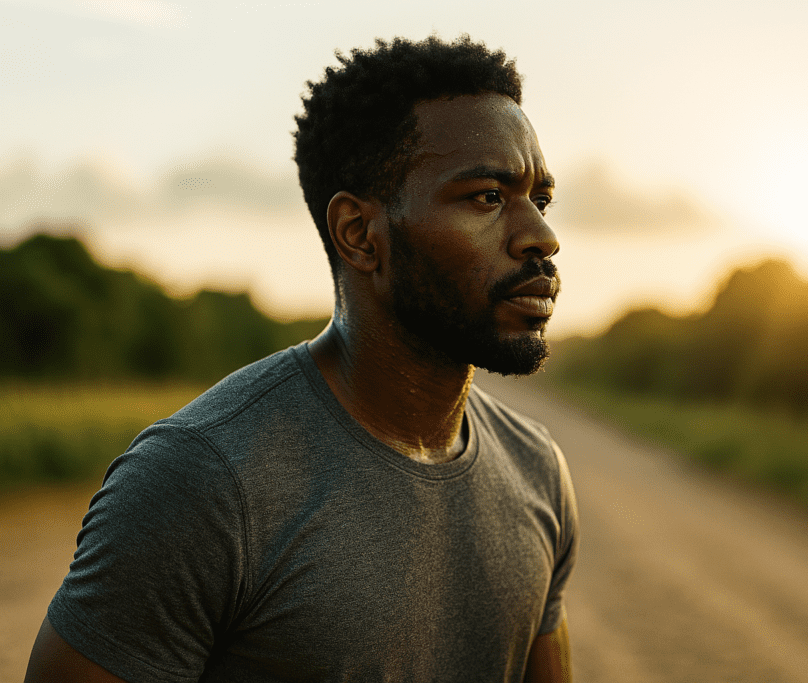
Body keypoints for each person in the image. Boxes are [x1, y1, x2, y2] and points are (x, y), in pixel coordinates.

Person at [24, 35, 577, 682]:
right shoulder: (201, 482)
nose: (542, 236)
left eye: (538, 199)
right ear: (360, 234)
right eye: (487, 196)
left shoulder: (537, 467)